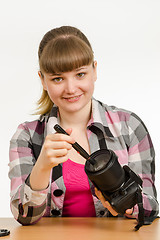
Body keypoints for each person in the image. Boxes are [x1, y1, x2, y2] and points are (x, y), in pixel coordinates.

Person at [9, 26, 159, 225]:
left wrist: (126, 204)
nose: (71, 89)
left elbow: (150, 206)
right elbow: (24, 217)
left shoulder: (129, 126)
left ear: (95, 70)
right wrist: (42, 166)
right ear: (43, 80)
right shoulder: (26, 136)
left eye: (80, 74)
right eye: (57, 78)